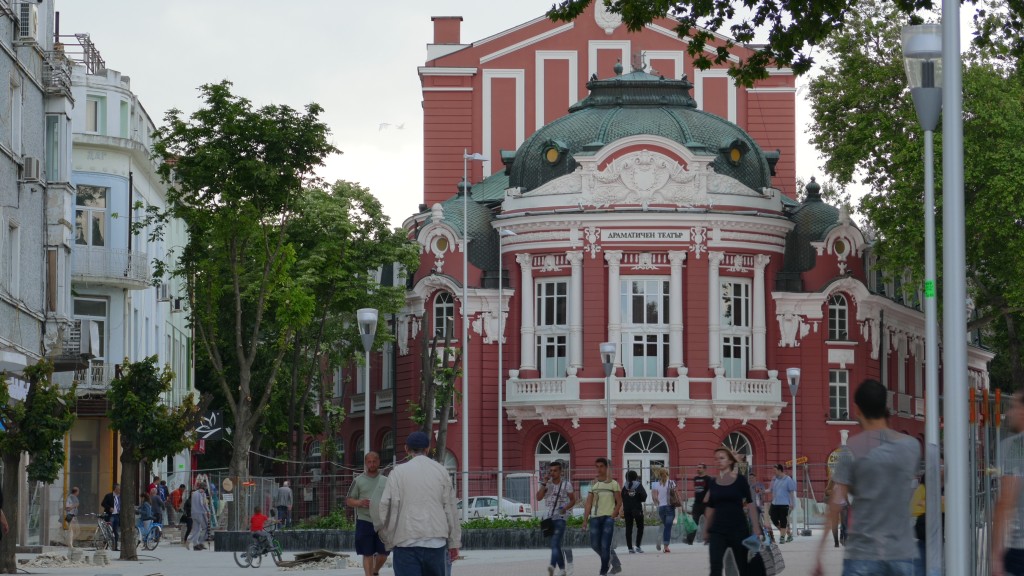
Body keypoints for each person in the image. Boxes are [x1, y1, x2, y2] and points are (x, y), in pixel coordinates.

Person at [812, 379, 920, 576]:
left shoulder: (850, 451)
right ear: (885, 406)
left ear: (857, 409)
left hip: (863, 554)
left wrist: (819, 554)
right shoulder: (911, 447)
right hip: (901, 552)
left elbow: (836, 504)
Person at [378, 431, 461, 576]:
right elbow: (450, 508)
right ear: (428, 449)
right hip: (436, 542)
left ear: (406, 449)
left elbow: (386, 506)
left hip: (405, 542)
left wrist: (387, 538)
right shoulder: (441, 471)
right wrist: (454, 543)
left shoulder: (398, 472)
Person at [700, 448, 763, 576]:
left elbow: (750, 504)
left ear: (729, 461)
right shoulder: (712, 482)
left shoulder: (740, 480)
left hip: (738, 530)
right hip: (718, 531)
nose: (718, 461)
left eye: (722, 458)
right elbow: (710, 508)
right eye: (716, 458)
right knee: (715, 568)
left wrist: (756, 527)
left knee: (743, 567)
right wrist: (706, 530)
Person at [993, 389, 1024, 576]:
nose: (1009, 413)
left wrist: (995, 555)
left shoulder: (1016, 446)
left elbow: (1006, 501)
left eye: (1014, 407)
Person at [347, 451, 389, 576]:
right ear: (365, 463)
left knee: (384, 553)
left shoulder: (386, 480)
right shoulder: (358, 480)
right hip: (364, 521)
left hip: (382, 522)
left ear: (379, 462)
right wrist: (360, 502)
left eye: (374, 461)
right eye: (369, 462)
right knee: (367, 553)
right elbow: (349, 500)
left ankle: (375, 571)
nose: (372, 464)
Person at [581, 457, 622, 576]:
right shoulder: (594, 485)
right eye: (597, 467)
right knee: (595, 545)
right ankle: (615, 563)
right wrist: (585, 520)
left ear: (606, 468)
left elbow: (619, 502)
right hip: (594, 518)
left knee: (605, 545)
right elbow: (588, 503)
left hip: (607, 518)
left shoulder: (614, 484)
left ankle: (603, 571)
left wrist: (612, 516)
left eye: (601, 466)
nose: (599, 469)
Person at [537, 459, 577, 576]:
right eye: (551, 471)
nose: (552, 473)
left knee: (560, 542)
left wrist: (565, 507)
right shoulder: (547, 484)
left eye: (555, 470)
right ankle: (562, 568)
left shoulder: (566, 484)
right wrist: (543, 483)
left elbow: (573, 500)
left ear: (560, 472)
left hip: (562, 517)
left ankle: (564, 564)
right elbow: (538, 498)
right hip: (549, 518)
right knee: (556, 544)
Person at [769, 463, 797, 543]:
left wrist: (792, 503)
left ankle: (782, 537)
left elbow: (791, 492)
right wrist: (762, 491)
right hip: (775, 503)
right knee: (773, 517)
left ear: (780, 470)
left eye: (775, 470)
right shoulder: (774, 479)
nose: (773, 472)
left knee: (783, 520)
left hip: (784, 503)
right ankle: (788, 534)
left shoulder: (788, 479)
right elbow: (770, 489)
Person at [651, 467, 676, 553]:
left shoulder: (655, 484)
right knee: (668, 527)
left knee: (666, 526)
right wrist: (681, 507)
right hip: (670, 507)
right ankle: (666, 546)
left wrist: (657, 502)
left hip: (661, 508)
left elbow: (654, 497)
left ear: (659, 475)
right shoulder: (671, 483)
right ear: (667, 474)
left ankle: (660, 536)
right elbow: (676, 495)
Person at [621, 470, 646, 554]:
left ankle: (630, 548)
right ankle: (638, 546)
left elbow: (622, 497)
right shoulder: (638, 485)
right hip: (637, 509)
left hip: (627, 510)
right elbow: (644, 496)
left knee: (628, 528)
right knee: (640, 527)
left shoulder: (625, 486)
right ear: (635, 476)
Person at [688, 463, 712, 545]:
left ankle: (708, 539)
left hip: (706, 504)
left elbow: (710, 489)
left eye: (700, 468)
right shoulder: (695, 478)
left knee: (708, 522)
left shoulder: (708, 479)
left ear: (704, 469)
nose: (698, 469)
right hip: (697, 504)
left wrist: (706, 497)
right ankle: (689, 540)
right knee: (694, 521)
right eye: (697, 468)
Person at [825, 477, 848, 548]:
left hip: (843, 505)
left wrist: (848, 503)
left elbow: (846, 493)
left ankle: (844, 540)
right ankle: (836, 542)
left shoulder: (844, 481)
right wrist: (832, 492)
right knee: (834, 525)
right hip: (834, 505)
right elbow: (826, 491)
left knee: (844, 524)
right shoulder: (832, 481)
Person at [189, 483, 210, 551]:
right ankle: (200, 543)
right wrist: (208, 511)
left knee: (197, 529)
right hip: (201, 513)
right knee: (206, 528)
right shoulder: (202, 493)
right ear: (204, 488)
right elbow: (203, 503)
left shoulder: (194, 493)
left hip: (193, 513)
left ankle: (195, 545)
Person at [100, 484, 122, 551]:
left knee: (116, 531)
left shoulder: (120, 497)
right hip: (110, 515)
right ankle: (106, 544)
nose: (120, 490)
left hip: (117, 515)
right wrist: (109, 508)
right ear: (115, 489)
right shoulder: (109, 496)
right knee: (109, 531)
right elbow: (103, 503)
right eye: (119, 489)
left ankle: (115, 547)